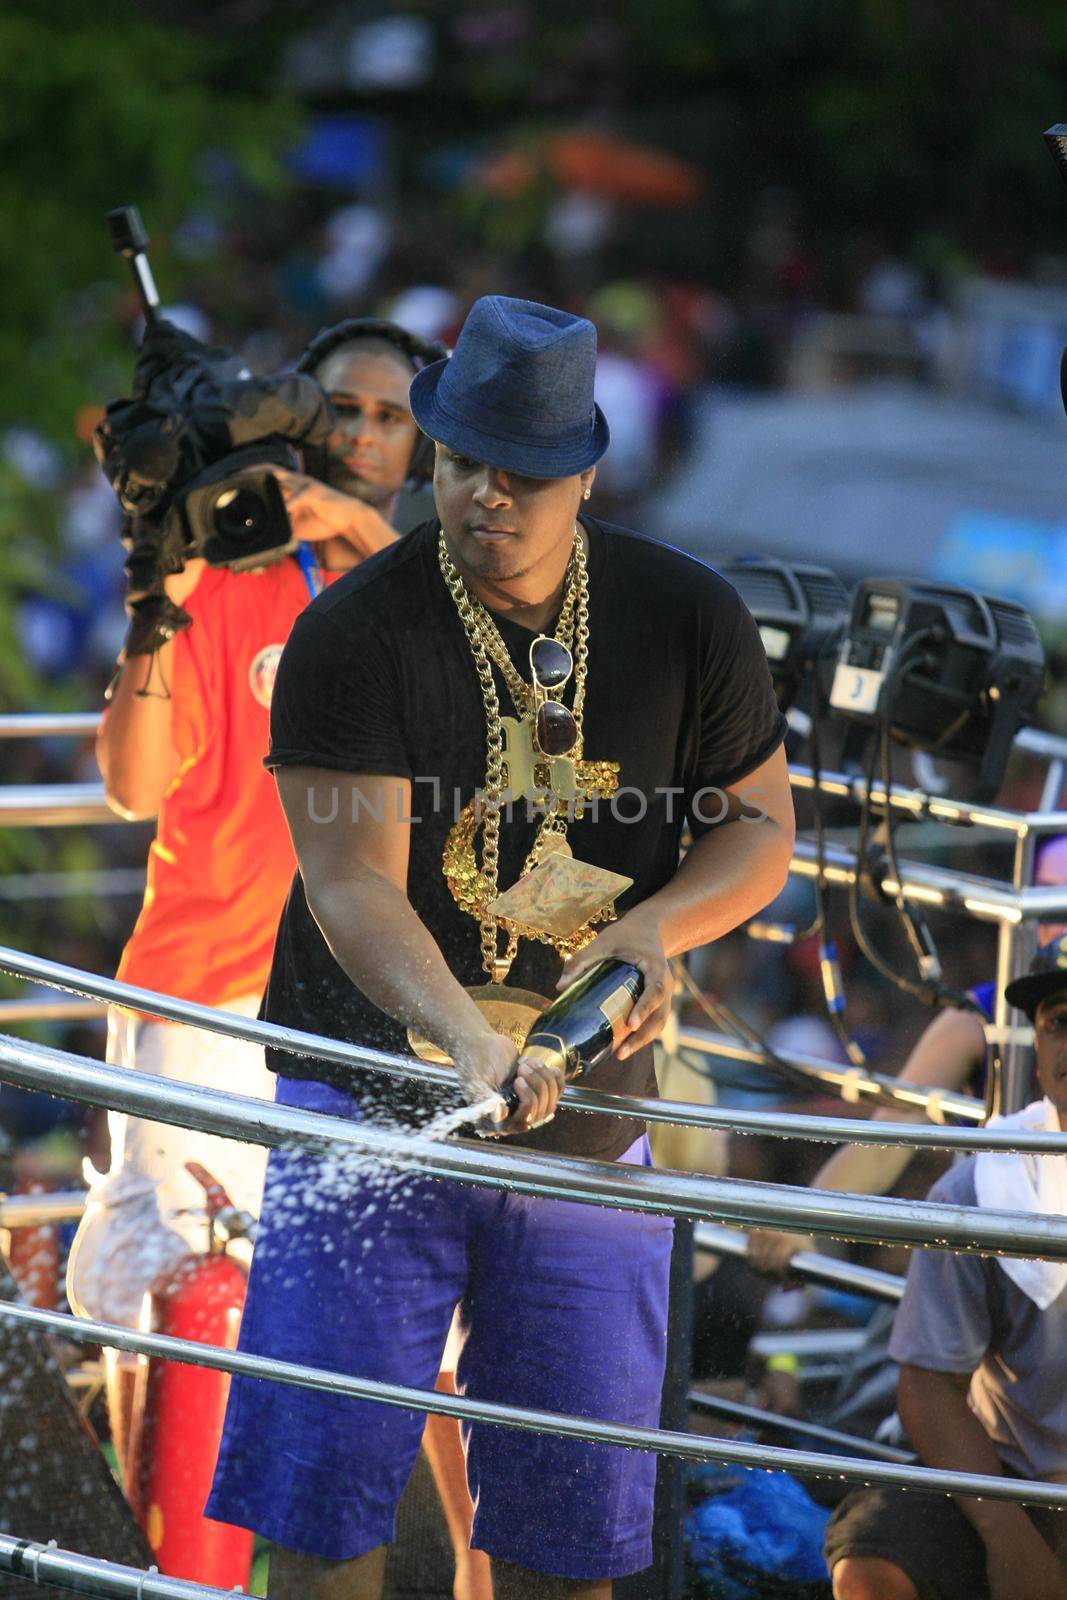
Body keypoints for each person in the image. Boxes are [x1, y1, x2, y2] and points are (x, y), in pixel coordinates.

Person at [206, 295, 796, 1600]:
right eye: (463, 460)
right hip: (370, 1099)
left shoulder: (684, 613)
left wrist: (655, 929)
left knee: (562, 1539)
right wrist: (469, 1041)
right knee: (317, 1518)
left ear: (584, 473)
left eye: (522, 474)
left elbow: (760, 832)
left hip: (589, 1126)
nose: (486, 495)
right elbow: (352, 885)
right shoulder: (353, 631)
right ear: (433, 453)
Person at [66, 320, 432, 1339]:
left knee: (382, 1326)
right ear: (289, 417)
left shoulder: (439, 581)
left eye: (387, 416)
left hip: (384, 1006)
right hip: (208, 993)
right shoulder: (222, 571)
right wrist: (156, 608)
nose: (360, 434)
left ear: (423, 445)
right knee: (180, 1307)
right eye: (335, 408)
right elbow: (131, 787)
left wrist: (353, 530)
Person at [823, 934, 1067, 1600]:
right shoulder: (983, 1187)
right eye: (1056, 1024)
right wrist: (1010, 1541)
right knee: (874, 1561)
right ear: (1037, 1046)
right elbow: (928, 1388)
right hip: (1016, 1485)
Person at [747, 835, 1067, 1277]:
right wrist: (804, 1219)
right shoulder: (980, 1019)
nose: (1057, 925)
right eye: (1045, 901)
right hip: (996, 1267)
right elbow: (885, 1142)